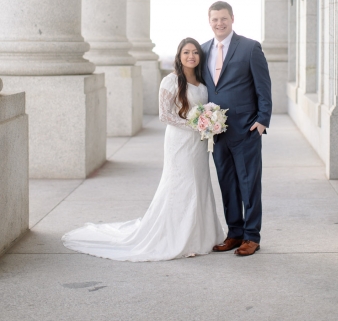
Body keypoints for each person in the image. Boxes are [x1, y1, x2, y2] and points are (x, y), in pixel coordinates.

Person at [61, 38, 224, 261]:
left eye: (195, 52)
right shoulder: (171, 81)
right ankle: (178, 237)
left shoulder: (203, 83)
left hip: (199, 143)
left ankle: (200, 236)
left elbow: (205, 108)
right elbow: (164, 115)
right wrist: (195, 124)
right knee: (181, 184)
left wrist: (209, 122)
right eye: (186, 52)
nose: (191, 56)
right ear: (179, 56)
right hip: (179, 141)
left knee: (200, 183)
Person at [202, 1, 272, 257]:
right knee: (227, 183)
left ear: (232, 18)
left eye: (223, 18)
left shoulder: (250, 48)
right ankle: (235, 233)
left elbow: (263, 87)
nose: (219, 23)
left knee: (249, 184)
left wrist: (262, 121)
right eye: (214, 19)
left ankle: (252, 236)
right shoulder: (202, 49)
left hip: (246, 129)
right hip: (216, 133)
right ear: (209, 21)